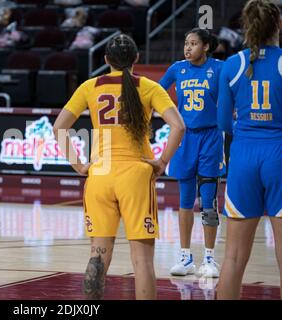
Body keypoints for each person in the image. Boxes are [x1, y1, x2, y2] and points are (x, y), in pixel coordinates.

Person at [53, 34, 185, 299]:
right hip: (135, 176)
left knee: (98, 257)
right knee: (143, 262)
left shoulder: (90, 86)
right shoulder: (148, 86)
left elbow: (59, 127)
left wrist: (79, 166)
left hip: (100, 175)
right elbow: (179, 126)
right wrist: (161, 162)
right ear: (136, 58)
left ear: (105, 60)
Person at [216, 0, 282, 299]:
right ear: (278, 25)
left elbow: (223, 124)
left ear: (246, 27)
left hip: (242, 156)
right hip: (278, 154)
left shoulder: (232, 64)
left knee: (232, 258)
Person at [159, 28, 224, 278]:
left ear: (206, 47)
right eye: (186, 43)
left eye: (194, 43)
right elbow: (156, 94)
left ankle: (210, 258)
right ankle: (185, 257)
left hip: (210, 138)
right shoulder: (177, 68)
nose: (188, 48)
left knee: (208, 202)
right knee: (185, 201)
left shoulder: (219, 68)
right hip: (185, 138)